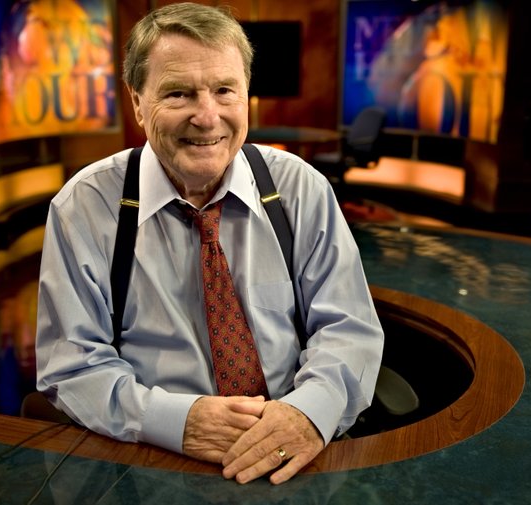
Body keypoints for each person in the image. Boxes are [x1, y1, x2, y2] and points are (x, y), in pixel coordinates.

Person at [35, 2, 384, 485]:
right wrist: (179, 423)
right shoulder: (85, 207)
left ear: (246, 95)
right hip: (155, 461)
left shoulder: (301, 189)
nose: (207, 116)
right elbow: (71, 365)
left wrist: (308, 414)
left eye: (224, 90)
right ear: (138, 102)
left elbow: (349, 329)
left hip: (296, 451)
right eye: (178, 94)